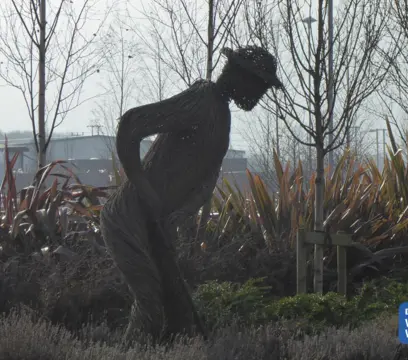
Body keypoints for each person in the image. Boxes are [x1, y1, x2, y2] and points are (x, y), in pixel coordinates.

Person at [100, 46, 283, 343]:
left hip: (156, 227)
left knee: (177, 312)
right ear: (241, 76)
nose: (261, 93)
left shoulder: (221, 116)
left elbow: (205, 181)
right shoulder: (202, 99)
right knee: (149, 305)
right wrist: (145, 191)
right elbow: (131, 125)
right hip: (129, 219)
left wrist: (177, 216)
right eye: (260, 84)